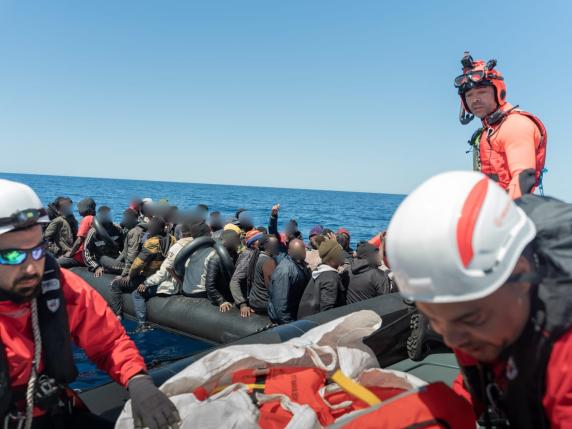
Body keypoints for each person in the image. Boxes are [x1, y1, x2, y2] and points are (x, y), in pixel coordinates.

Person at [386, 170, 572, 428]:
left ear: (520, 274)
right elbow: (479, 384)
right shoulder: (473, 318)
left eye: (471, 318)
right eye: (435, 320)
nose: (451, 340)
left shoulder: (566, 360)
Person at [0, 179, 179, 429]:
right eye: (12, 255)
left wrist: (137, 380)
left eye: (37, 250)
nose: (31, 267)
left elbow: (108, 341)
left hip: (53, 413)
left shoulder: (59, 287)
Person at [455, 52, 547, 199]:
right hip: (492, 209)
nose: (475, 100)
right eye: (469, 95)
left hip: (511, 213)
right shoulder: (490, 129)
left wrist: (503, 216)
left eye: (482, 92)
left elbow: (524, 177)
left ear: (499, 92)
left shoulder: (515, 125)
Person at [130, 224, 194, 332]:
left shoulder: (176, 247)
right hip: (192, 284)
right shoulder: (197, 244)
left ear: (180, 234)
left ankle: (142, 325)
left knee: (137, 294)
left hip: (176, 286)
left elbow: (163, 273)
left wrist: (146, 283)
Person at [111, 217, 174, 319]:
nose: (149, 231)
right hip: (162, 276)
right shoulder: (172, 239)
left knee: (115, 284)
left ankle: (118, 315)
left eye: (151, 228)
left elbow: (137, 264)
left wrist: (129, 276)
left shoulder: (152, 243)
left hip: (146, 277)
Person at [297, 237, 346, 319]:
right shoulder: (331, 279)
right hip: (315, 326)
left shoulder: (318, 271)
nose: (342, 255)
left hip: (305, 320)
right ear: (334, 257)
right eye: (340, 253)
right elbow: (326, 312)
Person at [268, 239, 311, 324]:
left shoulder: (301, 264)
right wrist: (289, 324)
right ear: (289, 252)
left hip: (297, 313)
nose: (301, 252)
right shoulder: (284, 271)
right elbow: (280, 304)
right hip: (285, 319)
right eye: (297, 251)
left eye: (302, 249)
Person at [205, 229, 241, 312]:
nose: (238, 244)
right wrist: (221, 301)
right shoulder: (215, 259)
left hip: (232, 294)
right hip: (222, 296)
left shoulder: (235, 255)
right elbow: (210, 286)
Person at [229, 229, 263, 317]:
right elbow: (234, 281)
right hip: (247, 298)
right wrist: (242, 304)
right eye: (261, 239)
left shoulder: (257, 253)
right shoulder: (249, 256)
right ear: (253, 244)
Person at [83, 206, 124, 277]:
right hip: (100, 260)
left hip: (115, 259)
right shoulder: (93, 232)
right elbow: (87, 253)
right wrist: (96, 267)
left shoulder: (118, 230)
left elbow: (124, 249)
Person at [57, 197, 96, 268]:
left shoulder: (86, 219)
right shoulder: (95, 219)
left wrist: (70, 253)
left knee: (56, 262)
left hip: (81, 257)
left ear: (85, 208)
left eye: (80, 208)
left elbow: (79, 241)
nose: (78, 210)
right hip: (92, 255)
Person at [245, 235, 278, 315]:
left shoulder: (259, 256)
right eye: (275, 244)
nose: (277, 246)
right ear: (266, 246)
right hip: (263, 303)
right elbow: (272, 287)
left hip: (255, 300)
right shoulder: (268, 261)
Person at [180, 222, 212, 297]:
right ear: (206, 235)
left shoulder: (186, 250)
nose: (211, 234)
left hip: (186, 290)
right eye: (209, 232)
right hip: (201, 292)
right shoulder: (212, 251)